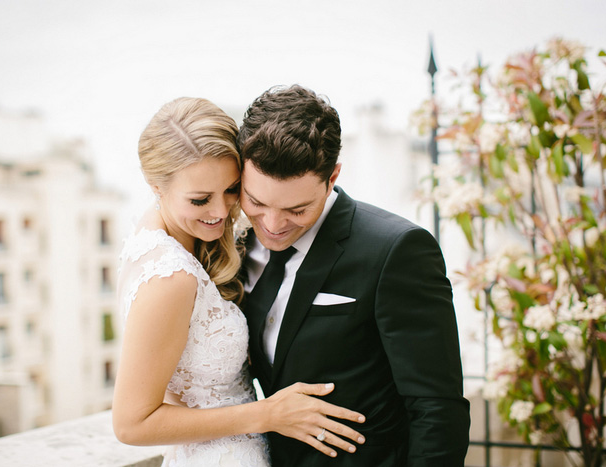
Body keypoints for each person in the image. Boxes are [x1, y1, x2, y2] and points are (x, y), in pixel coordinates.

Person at [112, 97, 367, 467]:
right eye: (200, 200)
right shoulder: (170, 275)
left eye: (232, 190)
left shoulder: (154, 231)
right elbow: (131, 424)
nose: (220, 212)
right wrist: (269, 414)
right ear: (155, 184)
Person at [238, 85, 471, 466]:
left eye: (297, 209)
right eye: (257, 202)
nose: (274, 225)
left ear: (332, 178)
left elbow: (437, 408)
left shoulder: (398, 250)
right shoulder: (238, 246)